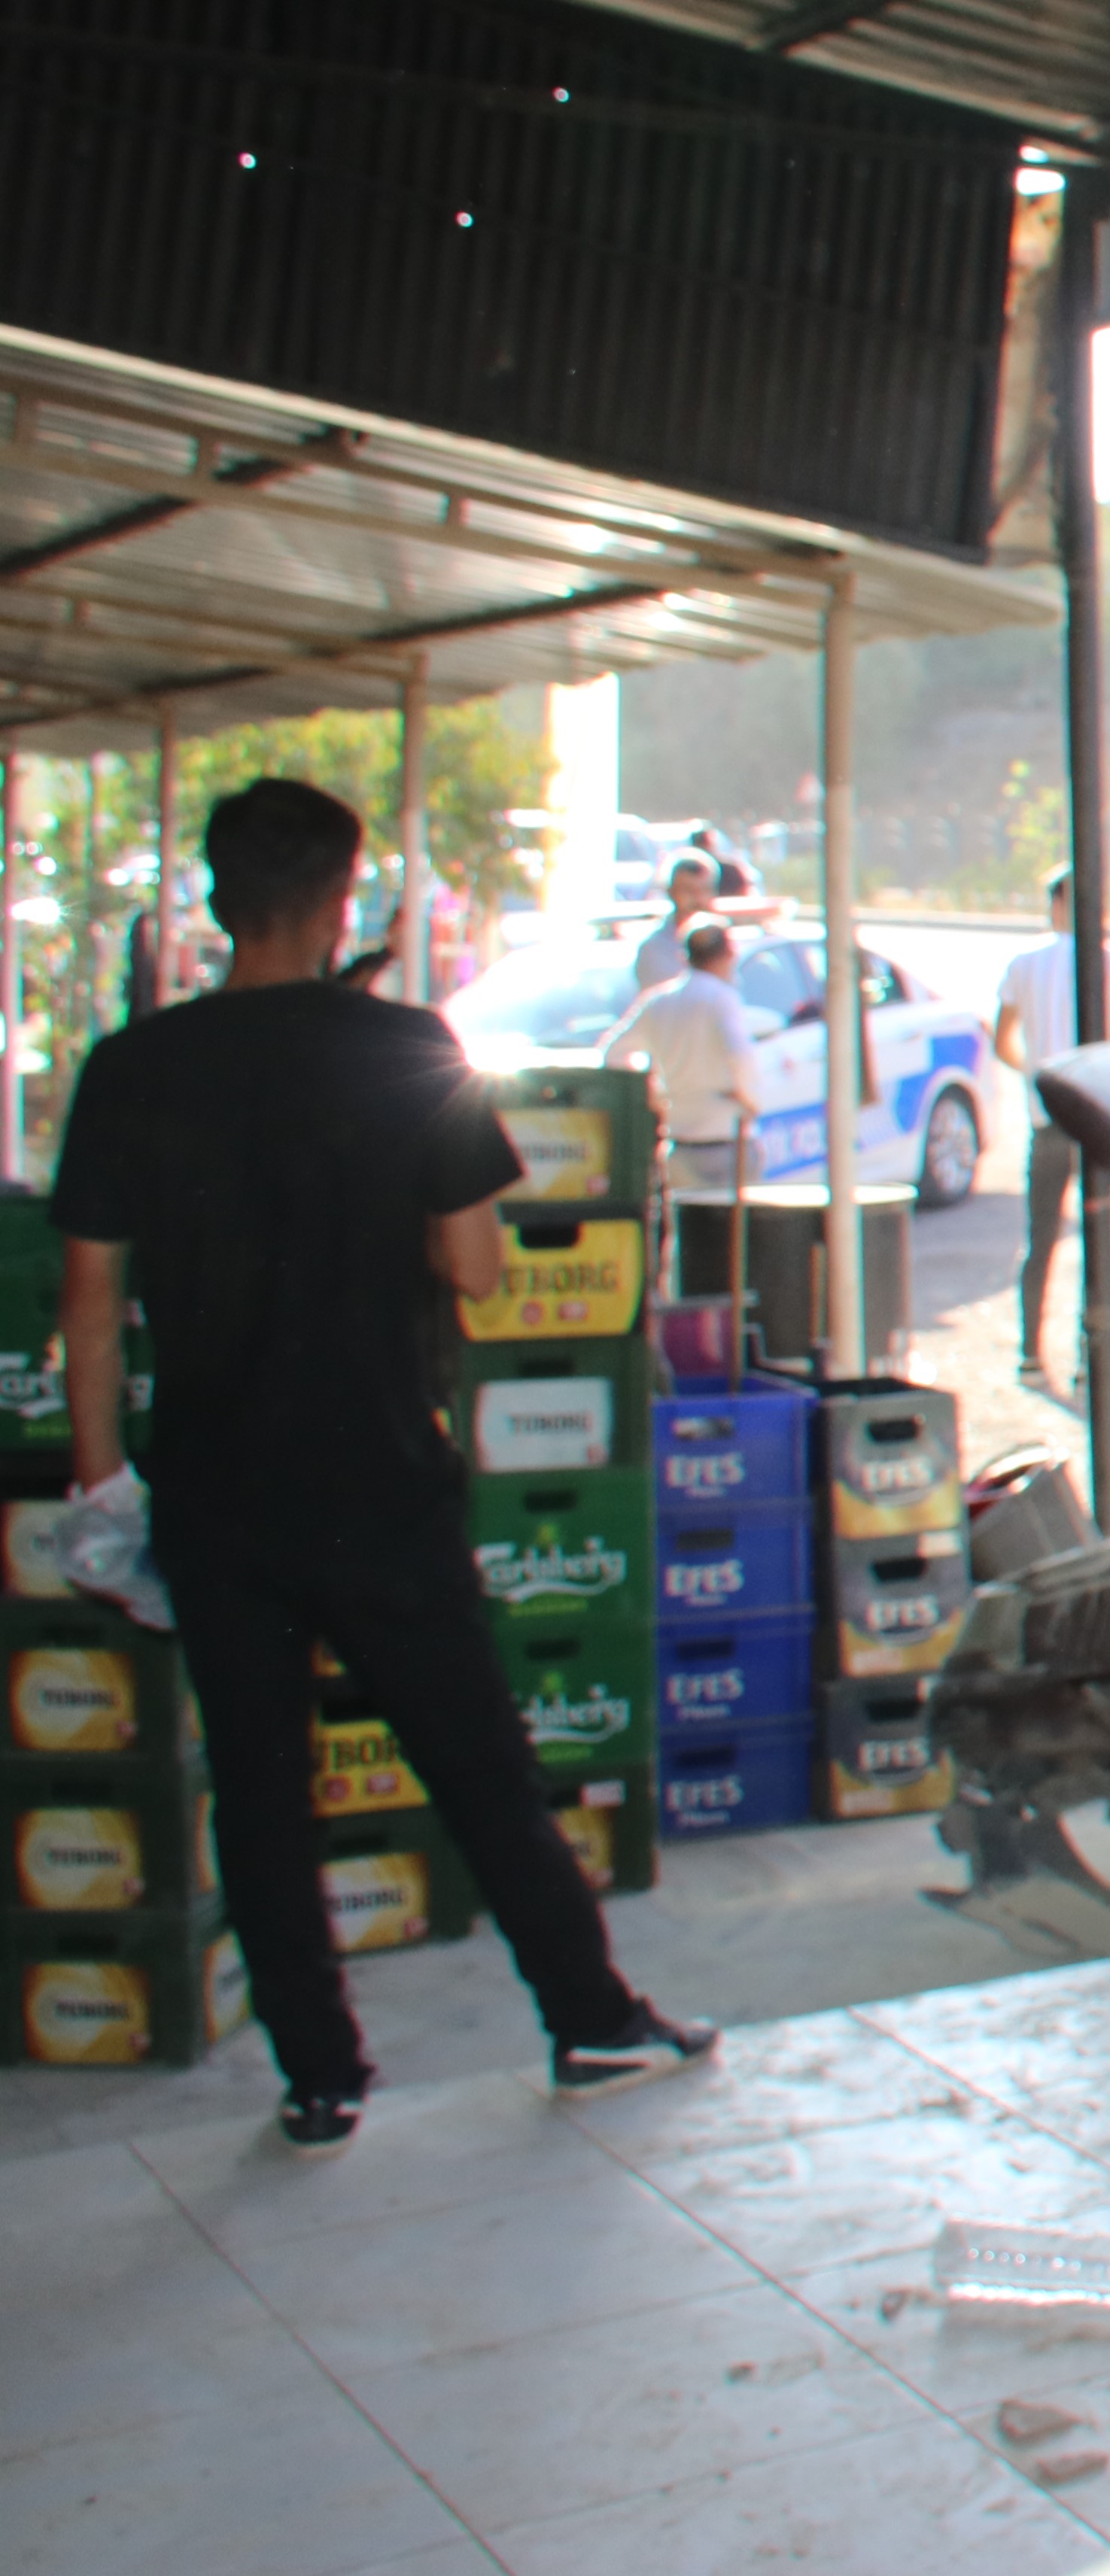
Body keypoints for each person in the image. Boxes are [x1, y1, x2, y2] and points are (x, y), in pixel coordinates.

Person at [52, 780, 714, 2151]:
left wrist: (106, 1483)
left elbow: (89, 1304)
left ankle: (319, 2078)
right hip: (376, 1481)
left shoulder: (134, 1067)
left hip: (213, 1493)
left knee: (259, 1782)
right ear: (342, 897)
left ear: (218, 898)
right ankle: (590, 2021)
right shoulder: (407, 1047)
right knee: (476, 1765)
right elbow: (475, 1265)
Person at [990, 866, 1083, 1387]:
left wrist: (1031, 1073)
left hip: (1046, 1118)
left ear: (1053, 905)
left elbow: (1003, 1040)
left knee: (1040, 1237)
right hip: (1097, 1122)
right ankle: (1091, 1356)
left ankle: (1030, 1351)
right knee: (1100, 1242)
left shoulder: (1025, 964)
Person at [598, 915, 766, 1195]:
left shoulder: (658, 1001)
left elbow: (613, 1052)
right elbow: (740, 1055)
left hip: (679, 1140)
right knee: (735, 1232)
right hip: (726, 1136)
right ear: (727, 955)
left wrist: (651, 1093)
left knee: (688, 1229)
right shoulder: (722, 998)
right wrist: (751, 1100)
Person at [627, 852, 716, 990]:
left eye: (705, 890)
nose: (698, 899)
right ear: (671, 892)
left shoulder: (727, 943)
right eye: (688, 890)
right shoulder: (654, 949)